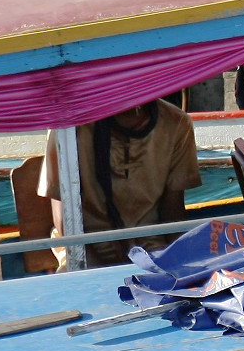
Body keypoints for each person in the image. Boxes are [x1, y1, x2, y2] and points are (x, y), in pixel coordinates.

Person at [40, 100, 202, 268]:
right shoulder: (68, 124)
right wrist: (99, 271)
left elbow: (172, 214)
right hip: (84, 249)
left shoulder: (176, 122)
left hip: (150, 246)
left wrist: (182, 264)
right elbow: (65, 221)